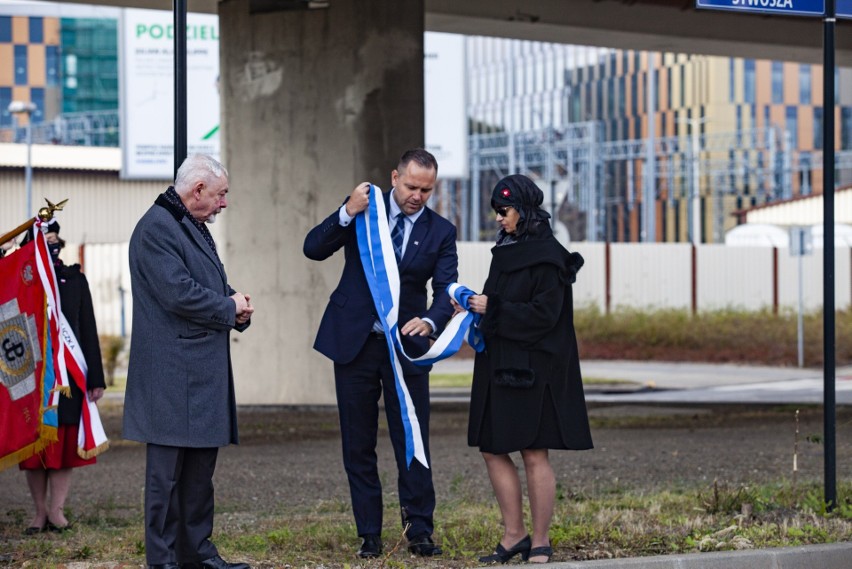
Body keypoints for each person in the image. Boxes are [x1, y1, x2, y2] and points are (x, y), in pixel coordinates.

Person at [303, 148, 458, 559]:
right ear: (394, 177)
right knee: (358, 442)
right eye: (411, 186)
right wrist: (346, 212)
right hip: (354, 343)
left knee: (413, 437)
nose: (417, 196)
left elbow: (446, 289)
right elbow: (313, 248)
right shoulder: (363, 213)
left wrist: (431, 320)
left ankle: (419, 530)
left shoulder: (441, 231)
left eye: (426, 189)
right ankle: (369, 533)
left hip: (406, 348)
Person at [123, 154, 254, 569]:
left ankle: (196, 554)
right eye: (221, 195)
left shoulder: (187, 224)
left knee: (198, 475)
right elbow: (178, 293)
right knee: (166, 478)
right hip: (170, 374)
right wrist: (228, 306)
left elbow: (205, 283)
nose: (224, 203)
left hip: (196, 372)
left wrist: (235, 304)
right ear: (197, 191)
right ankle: (163, 561)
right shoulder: (157, 228)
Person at [464, 174, 593, 564]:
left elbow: (545, 315)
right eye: (497, 213)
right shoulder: (506, 249)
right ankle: (513, 534)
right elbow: (498, 302)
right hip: (500, 362)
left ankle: (539, 540)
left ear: (523, 209)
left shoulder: (549, 255)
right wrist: (473, 306)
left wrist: (494, 308)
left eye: (504, 211)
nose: (499, 219)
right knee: (491, 447)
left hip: (534, 369)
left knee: (534, 452)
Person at [19, 220, 106, 534]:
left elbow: (88, 329)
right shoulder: (22, 279)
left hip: (68, 376)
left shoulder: (74, 278)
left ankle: (56, 511)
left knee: (65, 445)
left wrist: (95, 378)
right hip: (32, 376)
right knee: (35, 451)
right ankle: (38, 513)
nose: (52, 245)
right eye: (45, 240)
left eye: (55, 240)